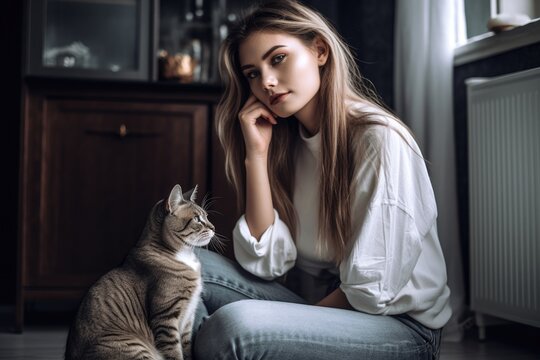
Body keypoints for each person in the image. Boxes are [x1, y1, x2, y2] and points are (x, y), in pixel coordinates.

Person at [192, 1, 452, 359]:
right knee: (185, 266)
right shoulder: (286, 143)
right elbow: (265, 262)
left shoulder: (379, 140)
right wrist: (256, 155)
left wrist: (283, 323)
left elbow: (370, 289)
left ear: (319, 50)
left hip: (400, 327)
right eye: (252, 73)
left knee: (235, 327)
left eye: (278, 58)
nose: (266, 81)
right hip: (327, 307)